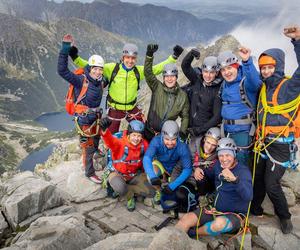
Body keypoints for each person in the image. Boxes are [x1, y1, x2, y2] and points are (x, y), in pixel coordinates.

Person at [69, 43, 183, 133]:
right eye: (127, 57)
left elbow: (156, 69)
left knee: (141, 129)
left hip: (131, 107)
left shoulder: (138, 71)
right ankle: (111, 159)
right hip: (114, 108)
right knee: (111, 135)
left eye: (133, 58)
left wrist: (173, 57)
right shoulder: (112, 68)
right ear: (123, 57)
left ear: (136, 59)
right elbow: (91, 66)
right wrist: (75, 57)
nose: (130, 60)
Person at [251, 26, 300, 234]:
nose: (266, 71)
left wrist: (297, 41)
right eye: (263, 68)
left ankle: (285, 217)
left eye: (270, 67)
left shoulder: (289, 87)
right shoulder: (264, 88)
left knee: (271, 184)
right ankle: (254, 207)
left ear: (278, 66)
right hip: (263, 141)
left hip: (280, 146)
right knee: (257, 177)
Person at [175, 138, 253, 238]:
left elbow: (248, 196)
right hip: (214, 209)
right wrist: (198, 170)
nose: (224, 159)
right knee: (186, 219)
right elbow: (207, 174)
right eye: (221, 155)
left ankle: (193, 233)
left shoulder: (243, 172)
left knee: (219, 224)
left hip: (235, 215)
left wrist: (235, 180)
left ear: (234, 154)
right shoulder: (218, 165)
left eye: (228, 155)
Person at [57, 34, 105, 184]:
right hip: (84, 119)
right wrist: (65, 48)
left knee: (96, 140)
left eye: (100, 69)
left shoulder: (101, 81)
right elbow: (62, 71)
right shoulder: (80, 80)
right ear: (89, 68)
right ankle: (89, 172)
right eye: (95, 69)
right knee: (88, 146)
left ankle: (94, 154)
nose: (98, 72)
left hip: (95, 117)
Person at [217, 47, 261, 167]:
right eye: (223, 70)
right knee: (226, 166)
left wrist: (247, 61)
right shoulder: (224, 84)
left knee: (240, 167)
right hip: (226, 132)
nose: (227, 72)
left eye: (230, 67)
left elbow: (255, 82)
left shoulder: (246, 83)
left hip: (243, 134)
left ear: (236, 66)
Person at [99, 117, 155, 211]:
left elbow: (147, 160)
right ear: (128, 135)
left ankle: (127, 190)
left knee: (150, 192)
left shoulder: (144, 145)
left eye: (139, 136)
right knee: (120, 187)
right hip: (118, 173)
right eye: (134, 135)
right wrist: (105, 131)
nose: (136, 139)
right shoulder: (120, 144)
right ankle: (129, 196)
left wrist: (149, 177)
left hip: (134, 175)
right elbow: (110, 141)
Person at [143, 44, 189, 141]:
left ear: (176, 77)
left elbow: (185, 116)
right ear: (163, 78)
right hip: (148, 131)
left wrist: (182, 132)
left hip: (166, 137)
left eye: (172, 76)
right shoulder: (157, 87)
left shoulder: (182, 96)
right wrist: (149, 55)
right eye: (166, 76)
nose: (169, 79)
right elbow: (148, 73)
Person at [143, 120, 192, 206]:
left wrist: (172, 186)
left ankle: (168, 184)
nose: (170, 143)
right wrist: (152, 176)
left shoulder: (183, 146)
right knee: (150, 174)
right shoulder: (156, 141)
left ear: (177, 137)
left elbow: (187, 169)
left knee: (177, 191)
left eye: (173, 139)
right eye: (167, 139)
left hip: (175, 169)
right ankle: (159, 191)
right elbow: (147, 158)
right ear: (162, 135)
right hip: (161, 165)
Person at [173, 127, 221, 213]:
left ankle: (200, 200)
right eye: (208, 142)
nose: (209, 147)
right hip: (190, 182)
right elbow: (179, 166)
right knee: (180, 194)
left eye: (213, 145)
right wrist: (171, 185)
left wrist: (211, 196)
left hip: (205, 186)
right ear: (204, 139)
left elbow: (218, 180)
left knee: (201, 177)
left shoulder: (219, 156)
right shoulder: (192, 147)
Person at [181, 48, 222, 138]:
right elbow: (185, 66)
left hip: (203, 134)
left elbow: (216, 117)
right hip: (189, 129)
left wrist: (199, 130)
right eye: (206, 71)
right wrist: (191, 54)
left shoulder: (217, 90)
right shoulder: (197, 80)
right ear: (202, 70)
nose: (208, 75)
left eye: (211, 72)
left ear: (216, 73)